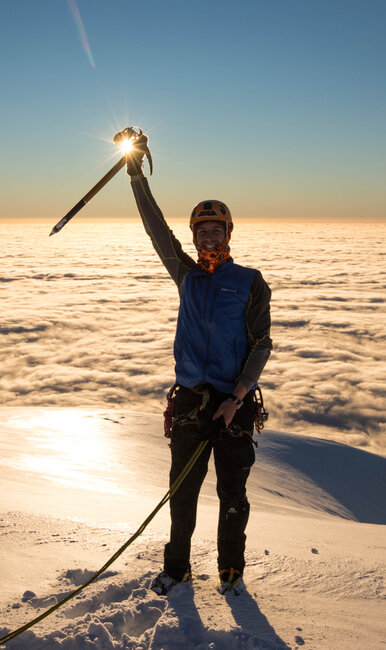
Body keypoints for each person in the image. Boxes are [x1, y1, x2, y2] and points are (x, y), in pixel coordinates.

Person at [116, 129, 273, 596]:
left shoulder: (250, 282)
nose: (207, 237)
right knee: (182, 495)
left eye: (215, 230)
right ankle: (177, 568)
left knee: (232, 496)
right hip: (189, 401)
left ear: (228, 233)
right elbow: (155, 231)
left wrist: (237, 397)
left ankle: (231, 571)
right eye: (200, 231)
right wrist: (135, 174)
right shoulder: (186, 275)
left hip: (234, 404)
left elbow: (262, 344)